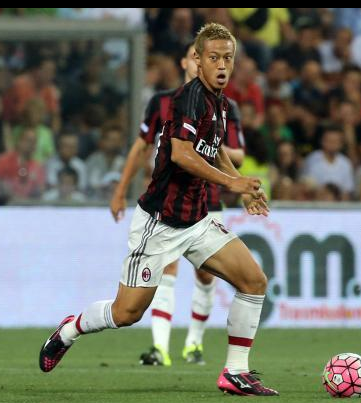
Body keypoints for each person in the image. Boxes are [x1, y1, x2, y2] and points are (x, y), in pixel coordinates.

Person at [39, 23, 278, 396]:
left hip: (196, 222)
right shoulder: (188, 99)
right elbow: (182, 154)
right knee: (126, 313)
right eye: (214, 57)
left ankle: (235, 372)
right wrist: (230, 184)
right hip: (160, 224)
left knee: (254, 281)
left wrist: (241, 186)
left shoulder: (220, 102)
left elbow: (214, 150)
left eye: (228, 58)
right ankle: (70, 329)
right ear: (197, 59)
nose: (221, 65)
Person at [111, 43, 244, 366]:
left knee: (206, 276)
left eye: (218, 57)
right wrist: (121, 189)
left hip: (208, 199)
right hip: (170, 200)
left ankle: (194, 345)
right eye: (198, 56)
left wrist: (208, 147)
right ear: (186, 61)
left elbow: (237, 154)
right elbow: (141, 147)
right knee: (166, 268)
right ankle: (160, 347)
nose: (206, 62)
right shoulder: (163, 102)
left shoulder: (225, 105)